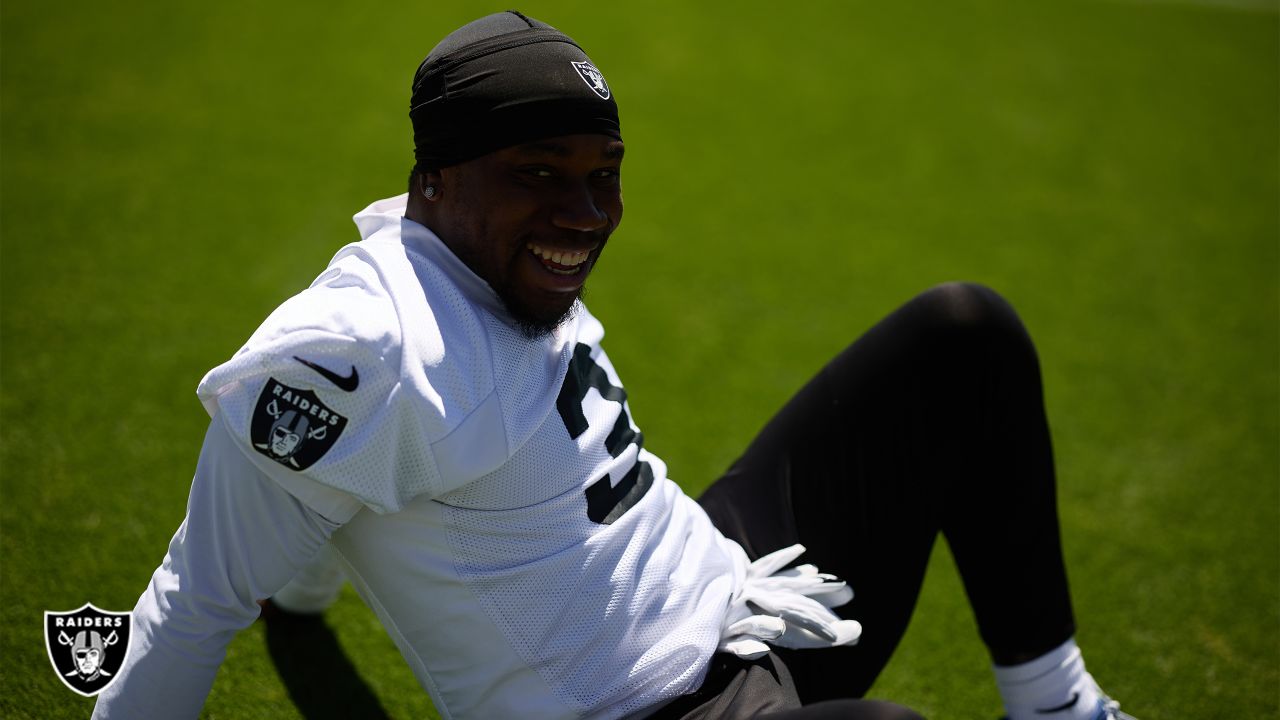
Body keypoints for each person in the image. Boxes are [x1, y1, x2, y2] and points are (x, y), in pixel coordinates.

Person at [92, 11, 1138, 720]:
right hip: (652, 708)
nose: (585, 215)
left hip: (746, 592)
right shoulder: (360, 351)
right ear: (433, 179)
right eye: (539, 175)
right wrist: (286, 584)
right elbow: (196, 594)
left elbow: (331, 495)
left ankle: (1058, 702)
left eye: (603, 176)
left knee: (961, 335)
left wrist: (309, 599)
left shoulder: (481, 261)